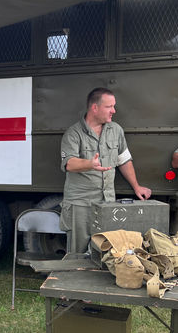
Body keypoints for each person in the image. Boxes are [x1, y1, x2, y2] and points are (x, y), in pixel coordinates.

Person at [60, 87, 151, 253]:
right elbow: (69, 164)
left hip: (107, 202)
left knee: (106, 250)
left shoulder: (115, 130)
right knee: (77, 253)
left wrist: (136, 187)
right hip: (80, 204)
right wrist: (90, 164)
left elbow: (124, 160)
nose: (114, 111)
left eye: (114, 106)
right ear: (95, 108)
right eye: (109, 107)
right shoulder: (73, 133)